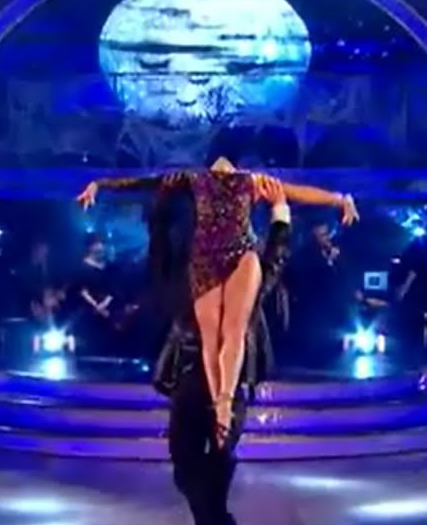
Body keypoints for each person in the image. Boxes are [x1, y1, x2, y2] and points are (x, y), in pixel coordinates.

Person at [78, 158, 355, 444]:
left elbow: (297, 192)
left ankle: (224, 403)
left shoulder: (247, 180)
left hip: (241, 254)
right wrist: (100, 184)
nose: (223, 167)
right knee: (213, 337)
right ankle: (219, 406)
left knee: (232, 332)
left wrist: (340, 199)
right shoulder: (196, 179)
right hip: (205, 258)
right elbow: (143, 182)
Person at [149, 174, 292, 525]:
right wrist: (162, 206)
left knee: (219, 459)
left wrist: (280, 214)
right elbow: (160, 253)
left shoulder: (248, 271)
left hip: (232, 379)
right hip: (189, 372)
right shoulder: (190, 268)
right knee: (184, 461)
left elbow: (275, 259)